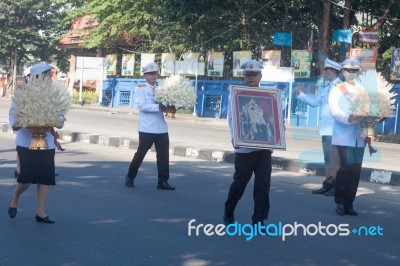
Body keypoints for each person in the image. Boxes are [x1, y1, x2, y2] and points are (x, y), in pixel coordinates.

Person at [8, 63, 65, 223]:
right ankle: (15, 198)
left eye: (49, 76)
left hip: (47, 141)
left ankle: (40, 212)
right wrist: (23, 121)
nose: (48, 79)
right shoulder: (22, 95)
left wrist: (56, 121)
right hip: (26, 142)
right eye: (45, 76)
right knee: (26, 178)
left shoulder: (53, 95)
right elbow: (13, 120)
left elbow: (61, 117)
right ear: (35, 78)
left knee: (45, 178)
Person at [223, 60, 273, 226]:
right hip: (244, 148)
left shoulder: (269, 95)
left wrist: (278, 129)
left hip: (264, 147)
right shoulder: (237, 94)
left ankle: (259, 221)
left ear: (260, 76)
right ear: (244, 76)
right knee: (239, 184)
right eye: (248, 75)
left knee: (263, 186)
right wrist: (235, 135)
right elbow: (232, 118)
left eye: (254, 75)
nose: (251, 78)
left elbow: (272, 119)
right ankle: (228, 212)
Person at [125, 62, 175, 190]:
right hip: (146, 128)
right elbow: (142, 106)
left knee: (163, 156)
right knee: (141, 154)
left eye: (155, 73)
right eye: (150, 74)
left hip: (161, 127)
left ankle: (163, 181)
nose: (153, 76)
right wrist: (158, 106)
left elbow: (164, 108)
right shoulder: (140, 88)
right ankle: (130, 176)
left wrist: (169, 108)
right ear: (145, 75)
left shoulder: (162, 88)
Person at [296, 58, 342, 196]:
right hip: (326, 129)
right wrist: (301, 94)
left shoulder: (340, 87)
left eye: (326, 70)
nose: (325, 72)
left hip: (336, 129)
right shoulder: (327, 87)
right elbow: (316, 102)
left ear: (333, 71)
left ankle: (336, 186)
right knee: (328, 158)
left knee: (336, 160)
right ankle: (328, 184)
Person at [328, 58, 365, 216]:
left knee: (356, 171)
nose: (351, 73)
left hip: (359, 137)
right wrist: (349, 118)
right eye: (349, 71)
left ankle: (350, 202)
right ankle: (340, 202)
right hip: (344, 136)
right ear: (343, 72)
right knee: (346, 169)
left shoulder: (363, 89)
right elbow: (335, 111)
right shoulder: (337, 89)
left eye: (355, 71)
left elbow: (370, 109)